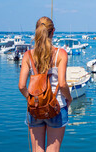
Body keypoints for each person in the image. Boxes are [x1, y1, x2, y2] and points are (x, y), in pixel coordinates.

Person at [19, 16, 72, 152]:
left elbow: (21, 86)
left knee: (37, 149)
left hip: (35, 107)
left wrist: (30, 98)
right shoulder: (61, 54)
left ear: (37, 31)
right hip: (56, 107)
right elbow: (62, 84)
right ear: (53, 31)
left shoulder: (28, 55)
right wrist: (69, 99)